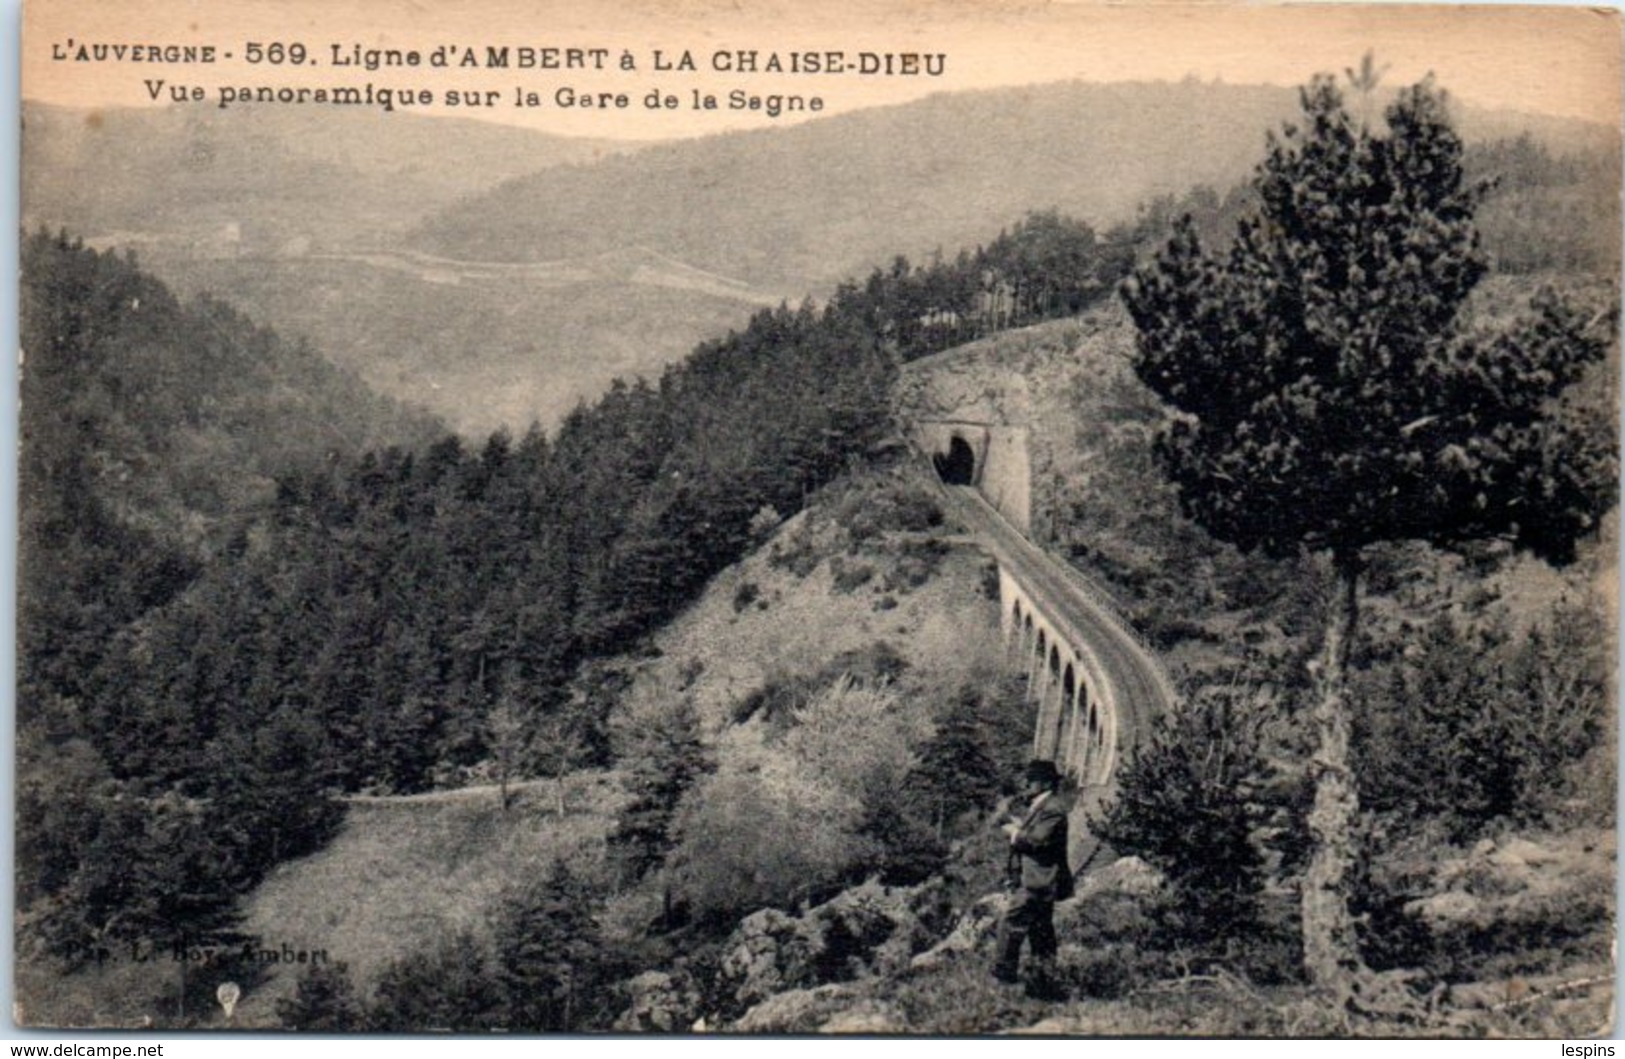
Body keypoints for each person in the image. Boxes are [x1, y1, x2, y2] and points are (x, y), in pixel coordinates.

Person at [993, 758, 1071, 991]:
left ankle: (1005, 977)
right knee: (1040, 930)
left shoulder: (1052, 808)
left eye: (1031, 780)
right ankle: (1044, 980)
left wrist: (1013, 832)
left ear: (1046, 783)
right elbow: (1037, 832)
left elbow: (1038, 840)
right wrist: (1018, 824)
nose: (1026, 784)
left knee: (1011, 923)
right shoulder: (1043, 804)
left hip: (1039, 879)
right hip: (1039, 878)